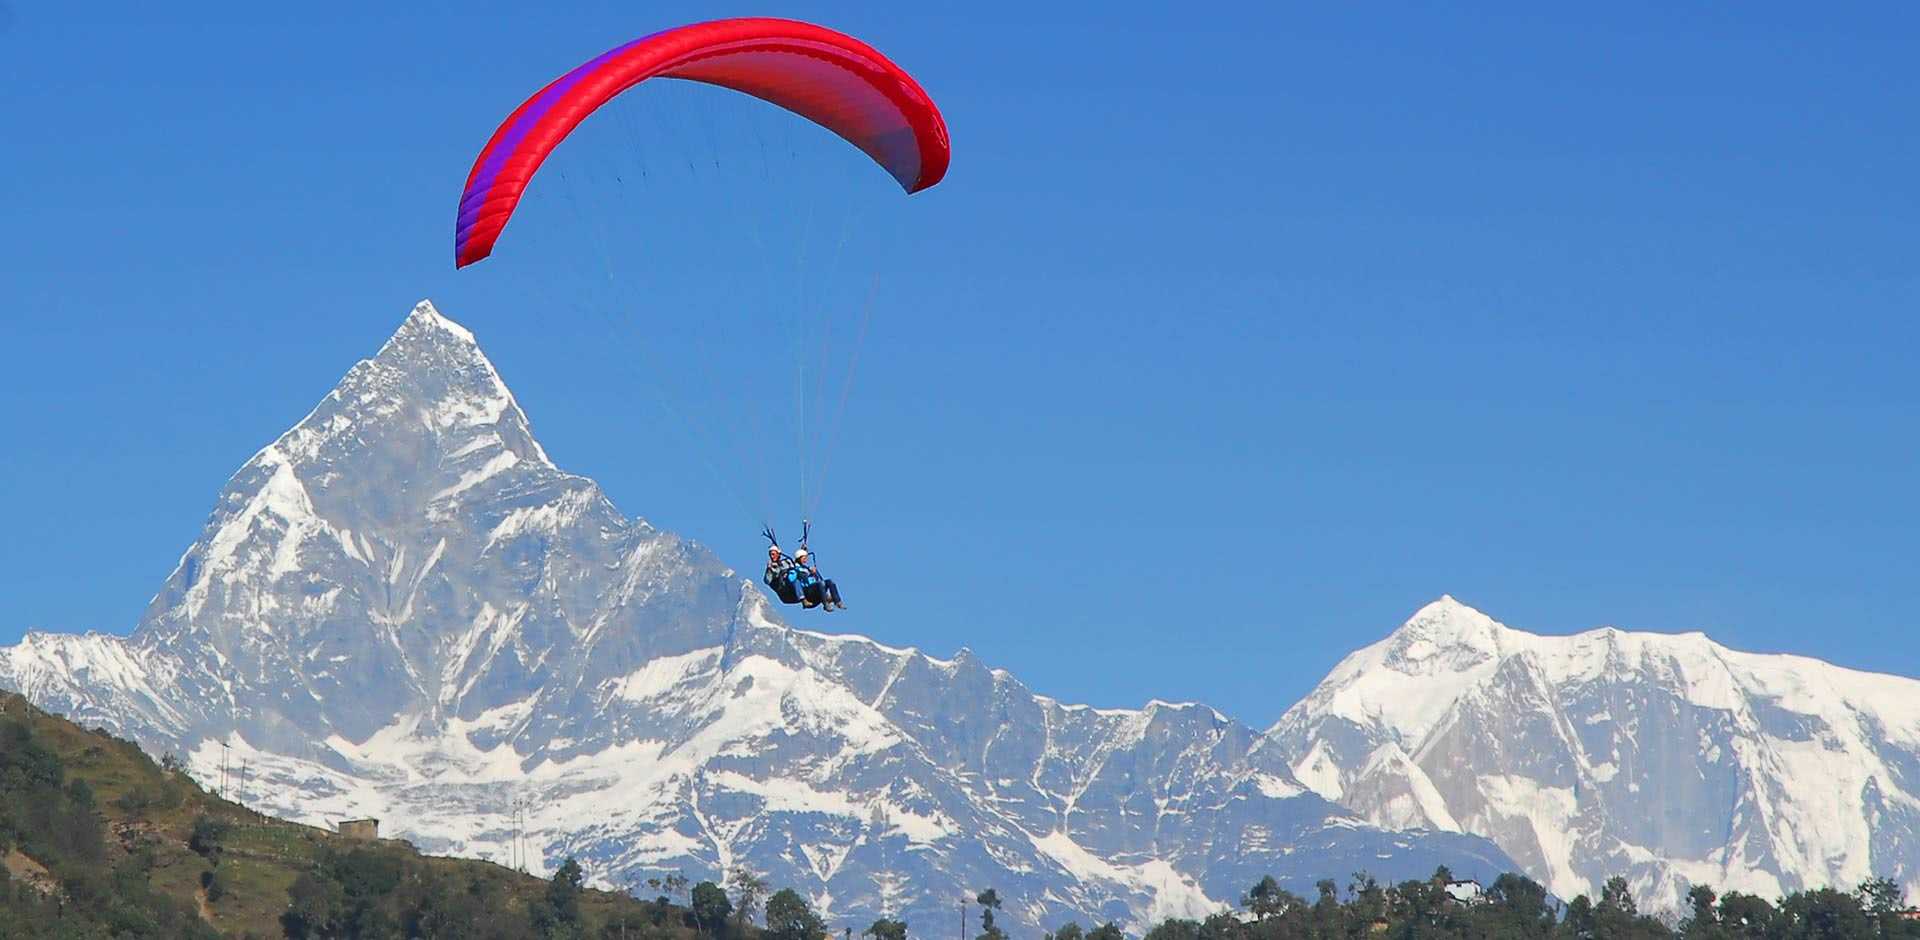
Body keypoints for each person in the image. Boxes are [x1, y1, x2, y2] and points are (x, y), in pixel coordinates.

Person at [793, 547, 844, 611]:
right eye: (804, 558)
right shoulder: (796, 568)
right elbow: (798, 577)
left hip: (813, 587)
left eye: (806, 558)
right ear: (799, 559)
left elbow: (813, 578)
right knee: (821, 583)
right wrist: (809, 573)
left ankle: (837, 601)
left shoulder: (806, 568)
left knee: (830, 581)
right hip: (807, 590)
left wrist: (813, 573)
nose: (805, 560)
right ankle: (825, 604)